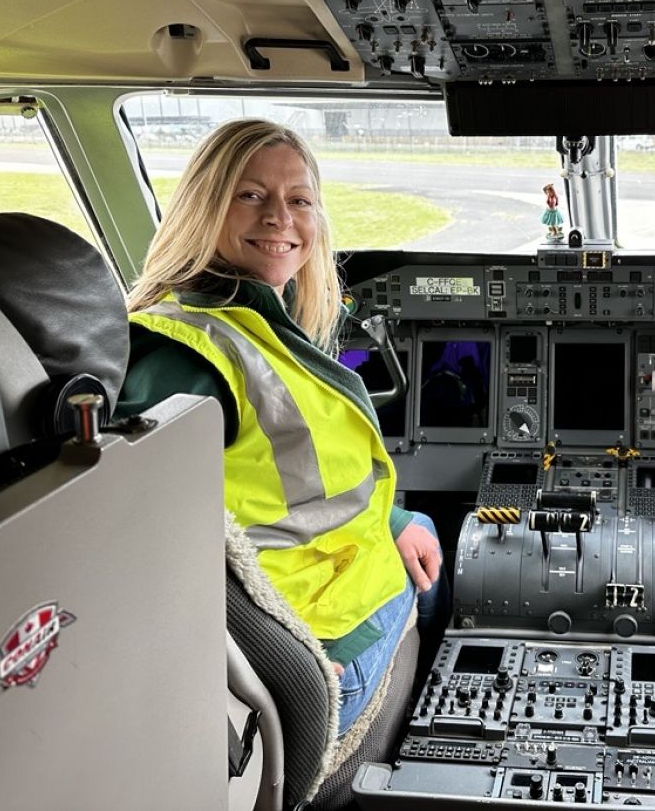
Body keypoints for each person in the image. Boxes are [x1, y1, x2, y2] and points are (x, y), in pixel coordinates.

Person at [119, 119, 448, 735]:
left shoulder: (245, 322)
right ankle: (418, 727)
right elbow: (154, 541)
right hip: (308, 650)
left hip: (304, 600)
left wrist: (393, 520)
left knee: (416, 522)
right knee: (440, 530)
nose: (279, 218)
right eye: (250, 195)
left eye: (299, 200)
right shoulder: (182, 358)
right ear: (202, 207)